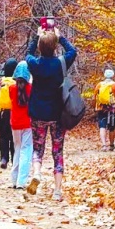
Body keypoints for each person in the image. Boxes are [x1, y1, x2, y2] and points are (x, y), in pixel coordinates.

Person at [24, 26, 77, 201]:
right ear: (55, 47)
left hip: (38, 113)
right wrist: (60, 37)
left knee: (38, 148)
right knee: (57, 151)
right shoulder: (61, 63)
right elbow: (73, 51)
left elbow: (28, 53)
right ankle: (57, 191)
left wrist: (36, 38)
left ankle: (37, 173)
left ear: (40, 46)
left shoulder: (34, 63)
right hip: (57, 115)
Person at [9, 61, 33, 189]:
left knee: (17, 149)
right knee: (26, 150)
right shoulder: (31, 88)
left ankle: (14, 179)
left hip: (15, 124)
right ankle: (21, 181)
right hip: (28, 123)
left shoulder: (11, 88)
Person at [0, 59, 17, 168]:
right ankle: (14, 159)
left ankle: (3, 158)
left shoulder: (0, 81)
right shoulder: (17, 81)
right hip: (14, 112)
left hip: (2, 112)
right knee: (14, 137)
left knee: (3, 136)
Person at [94, 69, 115, 151]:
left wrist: (95, 107)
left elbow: (95, 97)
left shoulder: (99, 84)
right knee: (112, 127)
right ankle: (111, 145)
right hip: (112, 109)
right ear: (113, 75)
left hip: (101, 108)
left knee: (102, 126)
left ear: (104, 75)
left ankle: (103, 145)